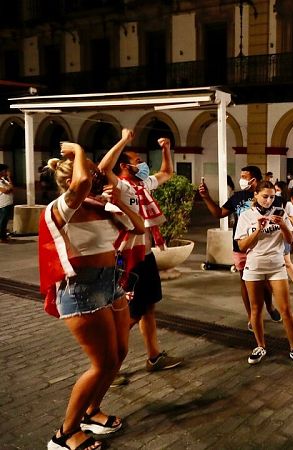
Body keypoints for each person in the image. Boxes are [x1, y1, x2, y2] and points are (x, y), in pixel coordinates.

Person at [41, 143, 145, 450]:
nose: (99, 174)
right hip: (81, 290)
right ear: (72, 180)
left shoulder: (100, 206)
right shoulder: (63, 208)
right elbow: (84, 182)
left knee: (120, 353)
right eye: (90, 168)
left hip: (110, 284)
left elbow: (139, 227)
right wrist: (77, 149)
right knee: (101, 363)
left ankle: (91, 411)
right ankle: (64, 433)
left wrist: (119, 205)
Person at [98, 130, 183, 375]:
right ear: (124, 165)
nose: (143, 164)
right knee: (131, 314)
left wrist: (166, 148)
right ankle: (107, 368)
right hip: (126, 259)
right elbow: (103, 169)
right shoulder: (120, 187)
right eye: (138, 161)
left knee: (148, 307)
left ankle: (154, 356)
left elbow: (166, 172)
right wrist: (124, 140)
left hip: (144, 256)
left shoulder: (142, 185)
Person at [198, 166, 283, 328]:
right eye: (241, 176)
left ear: (255, 180)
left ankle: (270, 306)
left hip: (264, 247)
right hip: (242, 246)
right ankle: (251, 315)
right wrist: (206, 197)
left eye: (245, 176)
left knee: (264, 282)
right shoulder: (237, 197)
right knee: (245, 281)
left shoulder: (271, 198)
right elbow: (219, 213)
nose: (241, 179)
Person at [234, 180, 293, 365]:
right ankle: (260, 346)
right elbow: (242, 246)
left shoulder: (279, 212)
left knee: (286, 310)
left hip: (276, 265)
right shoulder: (246, 216)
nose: (268, 201)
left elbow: (289, 240)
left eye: (272, 197)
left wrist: (282, 225)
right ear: (256, 195)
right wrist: (258, 229)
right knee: (256, 309)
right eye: (265, 197)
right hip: (254, 266)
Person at [0, 163, 13, 243]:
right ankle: (2, 237)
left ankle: (3, 236)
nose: (7, 172)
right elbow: (5, 191)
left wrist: (8, 177)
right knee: (2, 221)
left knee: (5, 221)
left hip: (8, 203)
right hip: (3, 204)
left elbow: (11, 187)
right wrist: (9, 188)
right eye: (5, 171)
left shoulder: (3, 180)